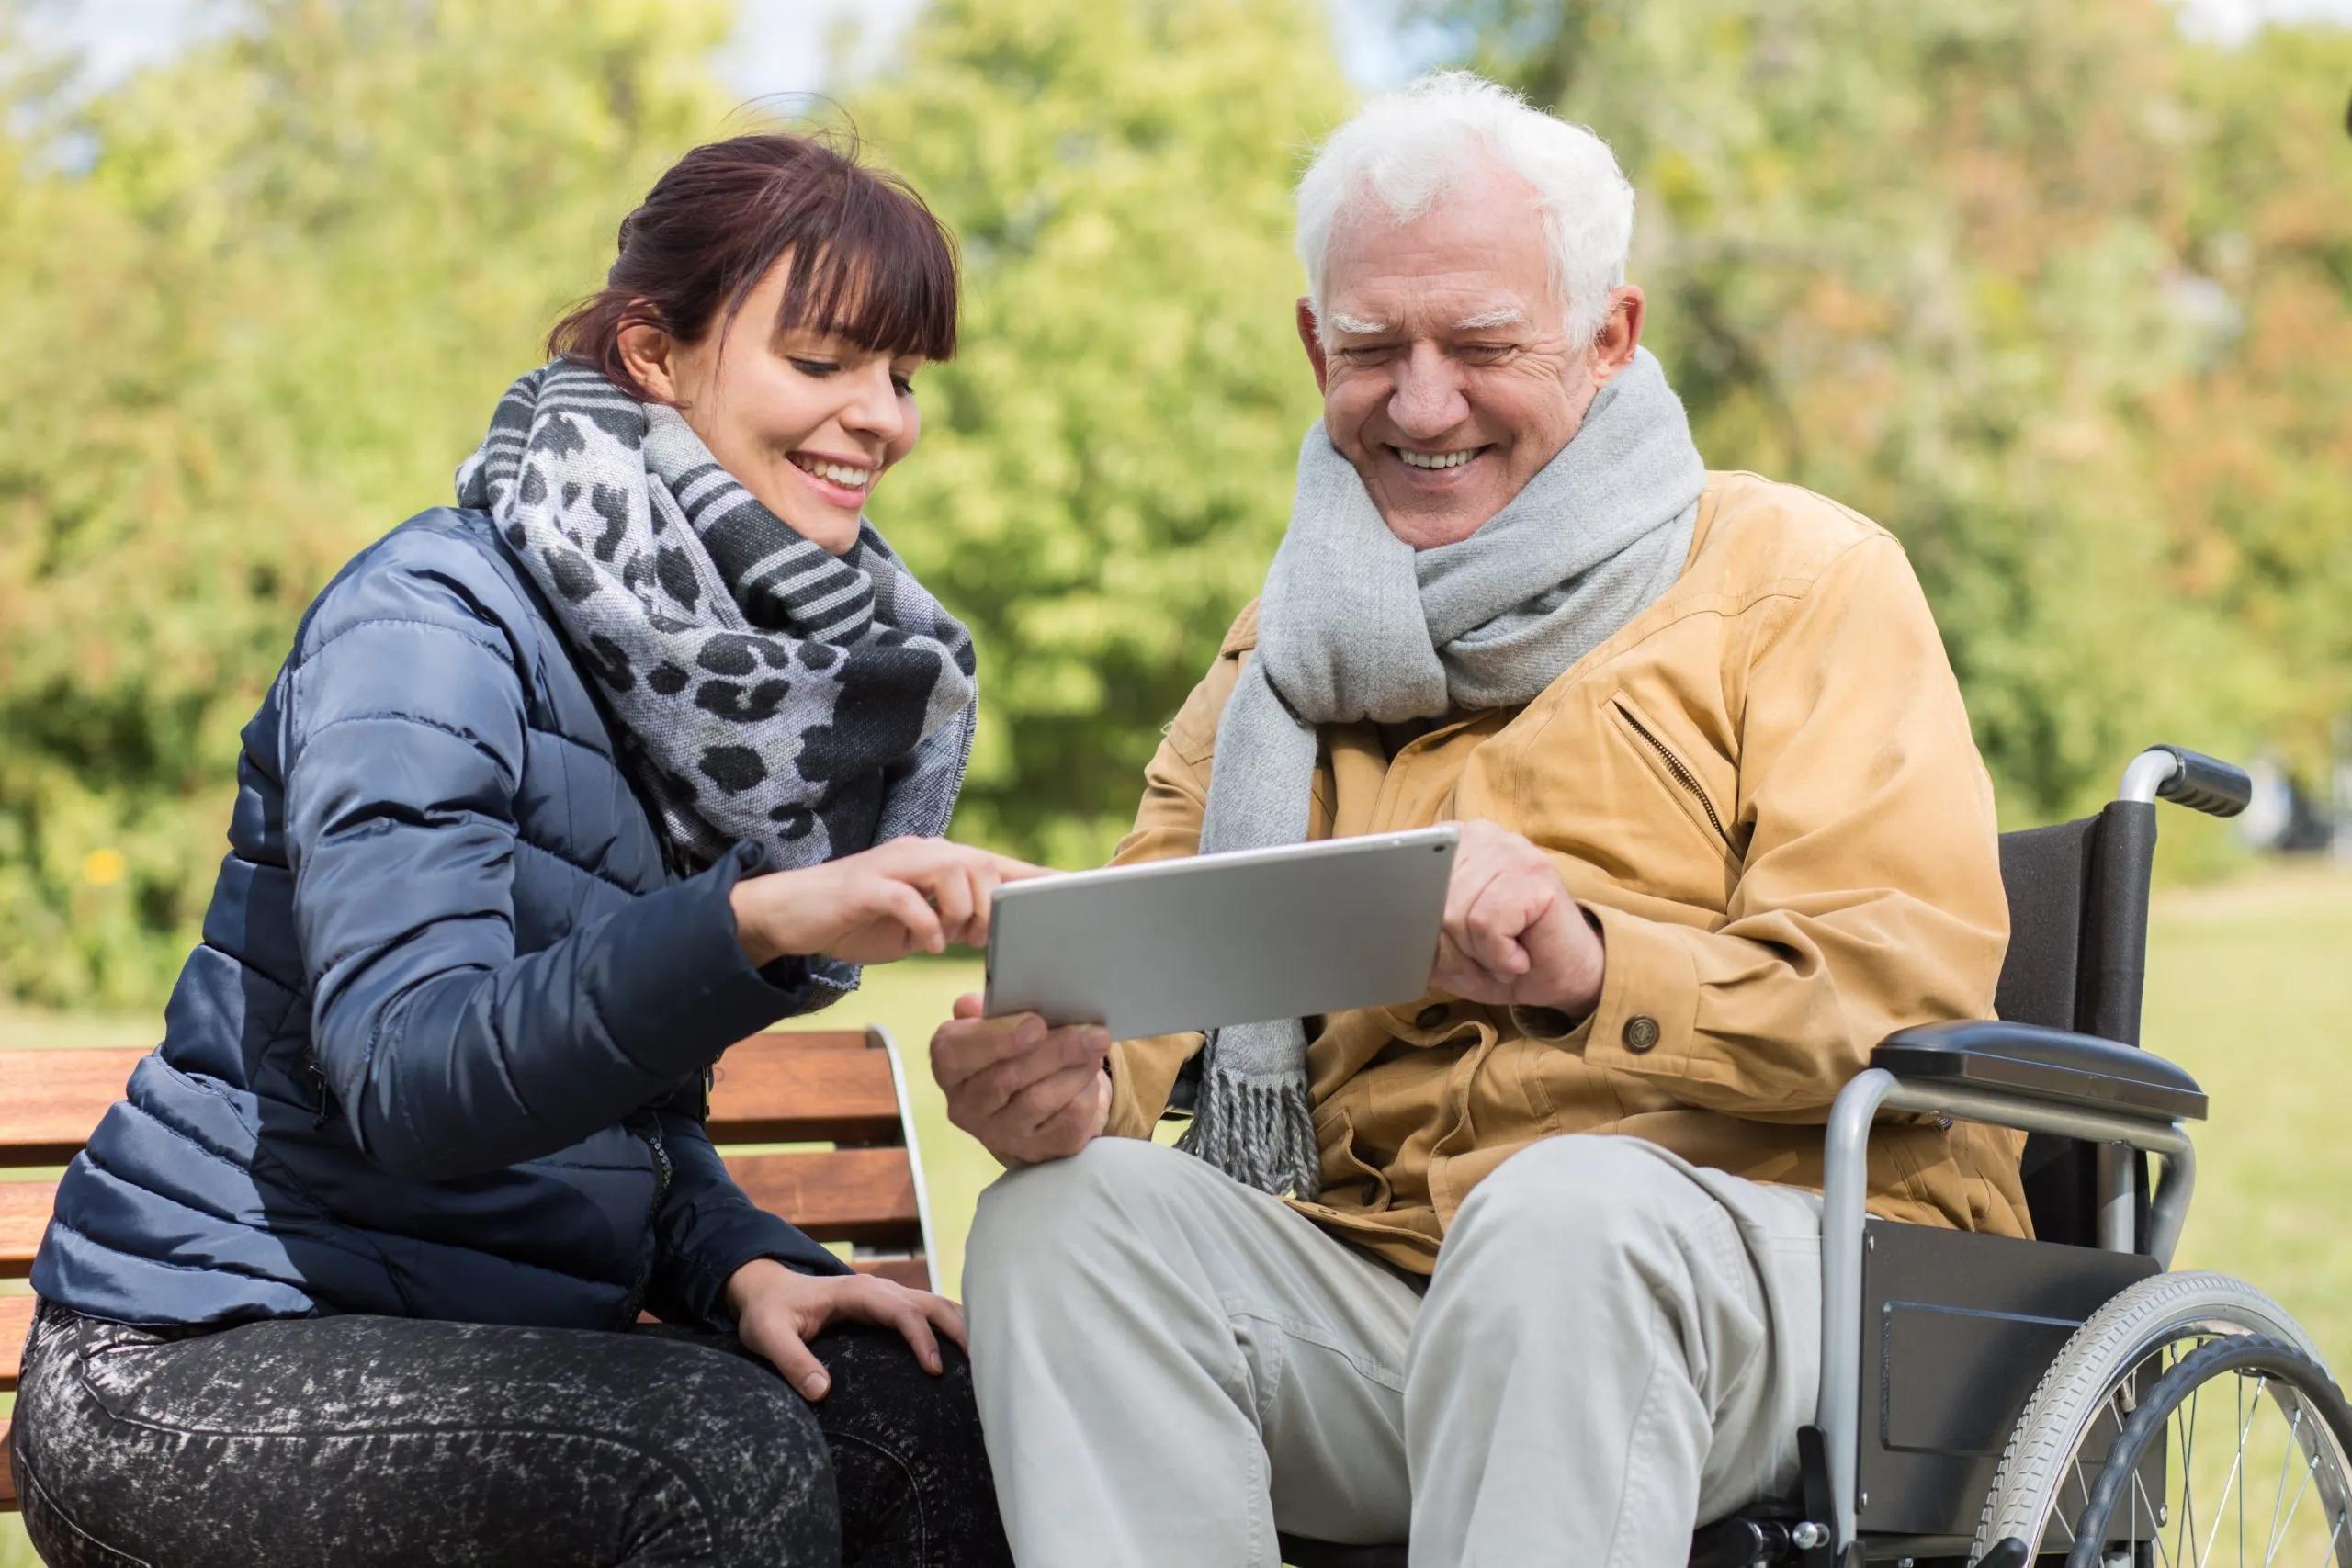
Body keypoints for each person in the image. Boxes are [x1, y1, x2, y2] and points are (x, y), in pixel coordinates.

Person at [932, 72, 2018, 1566]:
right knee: (1067, 1230)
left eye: (1482, 347)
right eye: (1373, 349)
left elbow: (1903, 997)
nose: (1422, 403)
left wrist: (1590, 963)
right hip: (1407, 1291)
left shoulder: (1799, 580)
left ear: (1608, 338)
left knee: (1563, 1219)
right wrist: (1063, 1085)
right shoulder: (1281, 654)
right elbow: (1149, 982)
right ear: (1317, 346)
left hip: (1796, 1278)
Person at [13, 132, 1019, 1567]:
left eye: (904, 377)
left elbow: (632, 1122)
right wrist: (755, 925)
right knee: (707, 1464)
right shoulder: (428, 624)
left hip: (491, 1344)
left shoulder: (700, 680)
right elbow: (415, 1081)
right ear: (652, 354)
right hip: (189, 1364)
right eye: (821, 361)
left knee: (929, 1419)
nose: (885, 419)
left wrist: (735, 1255)